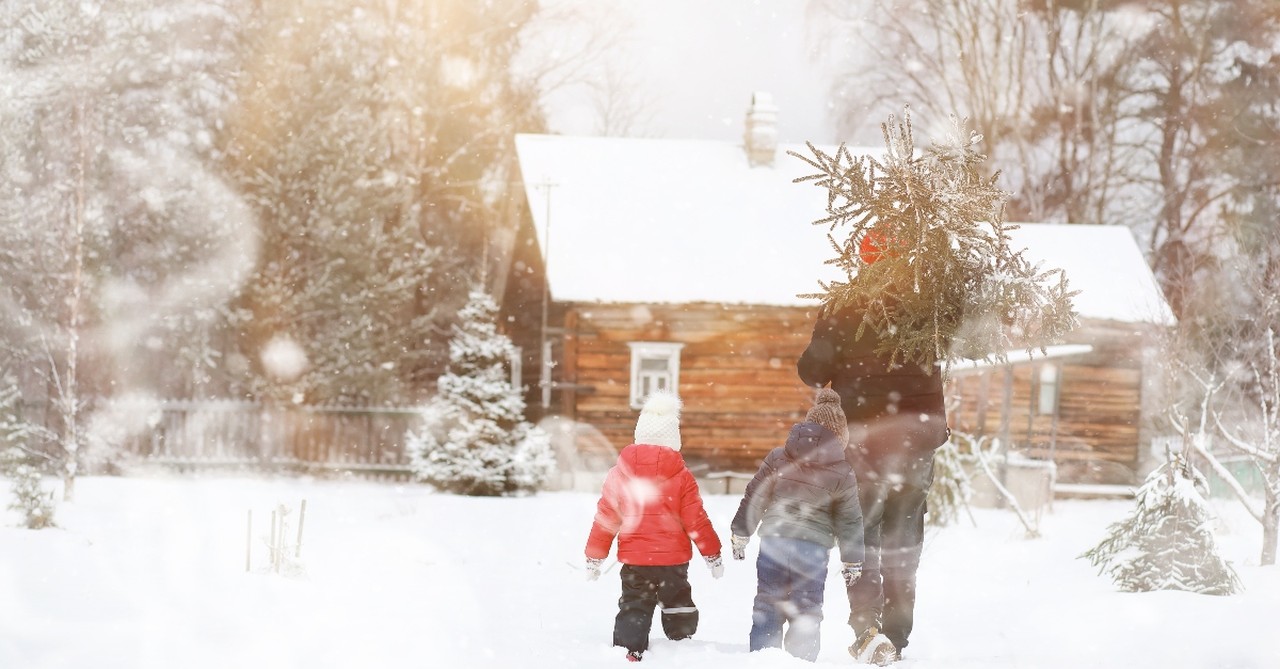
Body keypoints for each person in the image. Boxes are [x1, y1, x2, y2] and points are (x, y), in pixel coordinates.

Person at [797, 294, 950, 665]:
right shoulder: (929, 297)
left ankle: (868, 630)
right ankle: (896, 637)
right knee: (904, 537)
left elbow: (813, 370)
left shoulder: (845, 305)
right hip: (918, 435)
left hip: (865, 436)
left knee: (860, 532)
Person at [583, 390, 724, 663]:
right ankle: (681, 644)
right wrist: (712, 553)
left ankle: (629, 650)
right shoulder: (682, 476)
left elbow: (606, 519)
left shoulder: (618, 474)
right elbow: (696, 519)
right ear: (674, 439)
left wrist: (594, 557)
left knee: (634, 603)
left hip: (636, 561)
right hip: (673, 561)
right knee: (678, 600)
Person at [729, 388, 865, 662]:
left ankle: (763, 659)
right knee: (806, 607)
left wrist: (740, 533)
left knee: (768, 600)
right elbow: (850, 518)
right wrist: (852, 560)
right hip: (812, 549)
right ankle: (800, 661)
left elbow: (755, 495)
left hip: (774, 542)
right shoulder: (842, 471)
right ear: (840, 437)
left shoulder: (779, 457)